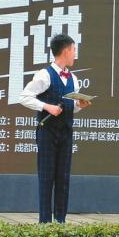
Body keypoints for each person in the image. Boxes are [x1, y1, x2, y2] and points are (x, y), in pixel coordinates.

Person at [19, 34, 91, 223]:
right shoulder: (44, 75)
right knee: (46, 177)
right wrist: (46, 106)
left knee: (63, 178)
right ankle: (45, 223)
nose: (75, 54)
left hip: (66, 132)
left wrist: (80, 106)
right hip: (47, 132)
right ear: (66, 51)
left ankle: (60, 221)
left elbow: (71, 106)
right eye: (74, 50)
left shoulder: (74, 78)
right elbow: (24, 97)